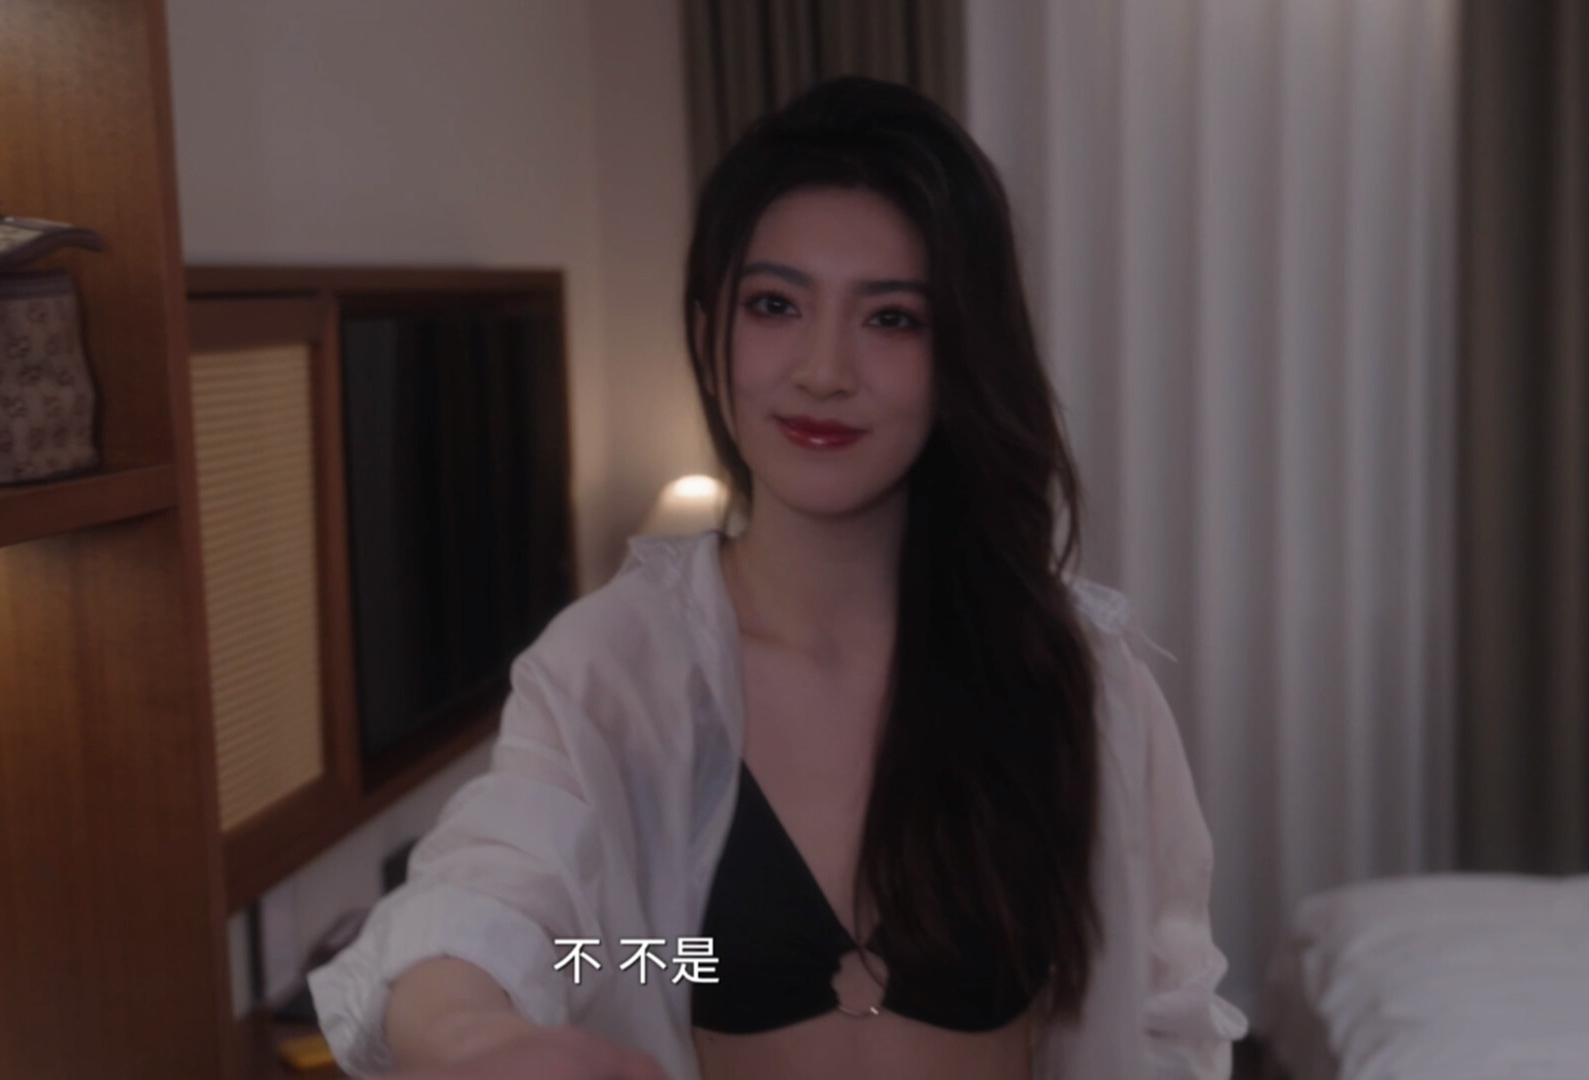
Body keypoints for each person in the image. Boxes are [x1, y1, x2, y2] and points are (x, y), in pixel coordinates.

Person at [308, 76, 1247, 1080]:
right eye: (774, 305)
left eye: (892, 319)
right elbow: (505, 901)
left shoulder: (1070, 676)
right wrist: (473, 1032)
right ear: (707, 335)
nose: (822, 370)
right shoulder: (616, 670)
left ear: (961, 356)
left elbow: (1163, 1009)